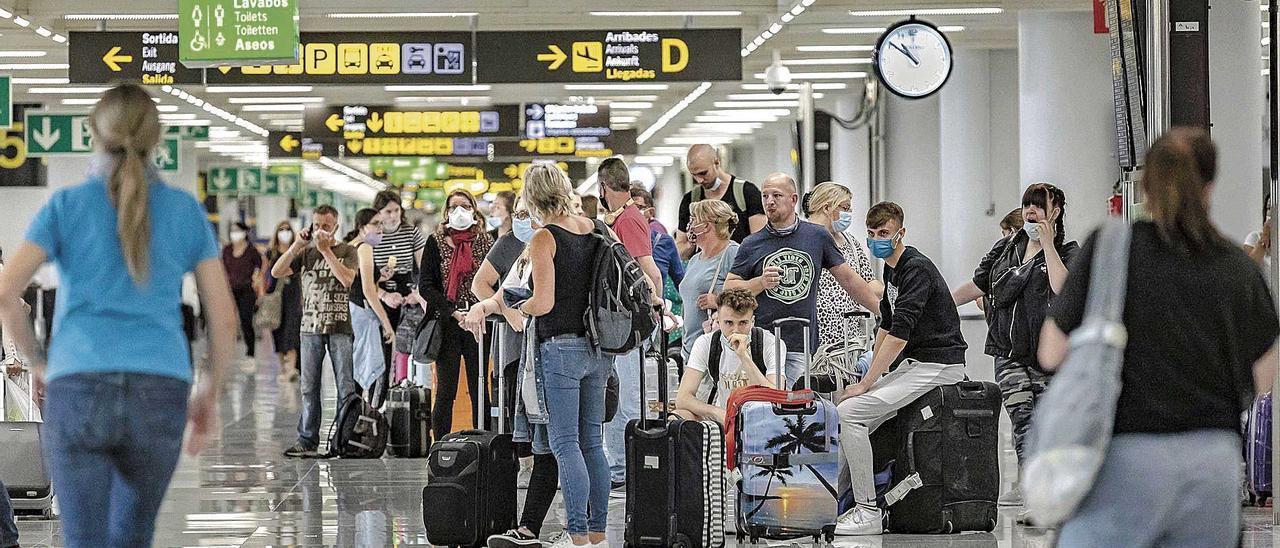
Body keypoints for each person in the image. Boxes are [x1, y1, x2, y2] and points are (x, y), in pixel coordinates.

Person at [0, 83, 236, 546]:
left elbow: (6, 291)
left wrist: (37, 363)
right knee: (133, 535)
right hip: (160, 386)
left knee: (84, 537)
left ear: (94, 133)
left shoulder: (67, 206)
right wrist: (209, 393)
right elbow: (224, 318)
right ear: (158, 138)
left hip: (79, 382)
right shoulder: (186, 211)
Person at [1041, 128, 1279, 548]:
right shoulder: (1236, 266)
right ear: (1210, 186)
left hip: (1122, 457)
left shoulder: (1110, 249)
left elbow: (1051, 352)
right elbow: (1263, 378)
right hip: (1212, 463)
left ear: (1145, 184)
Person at [493, 163, 612, 548]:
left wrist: (518, 306)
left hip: (560, 350)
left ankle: (576, 533)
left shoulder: (545, 238)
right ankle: (598, 532)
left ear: (532, 197)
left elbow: (543, 302)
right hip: (598, 348)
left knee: (565, 443)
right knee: (593, 442)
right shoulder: (595, 229)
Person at [832, 201, 968, 536]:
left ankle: (868, 511)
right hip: (916, 363)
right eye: (872, 233)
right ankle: (844, 502)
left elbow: (899, 333)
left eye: (884, 233)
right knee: (852, 415)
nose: (877, 239)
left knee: (852, 412)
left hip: (939, 363)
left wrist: (867, 382)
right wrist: (871, 367)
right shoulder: (892, 270)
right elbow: (886, 324)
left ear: (901, 233)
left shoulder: (916, 269)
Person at [951, 183, 1077, 510]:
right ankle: (1036, 495)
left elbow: (1064, 289)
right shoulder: (1005, 249)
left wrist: (1048, 245)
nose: (1031, 212)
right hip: (1007, 352)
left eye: (1039, 207)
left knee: (1045, 425)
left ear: (1056, 212)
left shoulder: (1068, 251)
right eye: (1027, 206)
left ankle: (1046, 489)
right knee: (1022, 419)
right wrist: (942, 304)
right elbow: (979, 284)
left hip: (1045, 355)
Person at [723, 173, 881, 387]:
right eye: (765, 196)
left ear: (793, 199)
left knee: (795, 406)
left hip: (801, 341)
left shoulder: (817, 236)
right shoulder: (752, 243)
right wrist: (760, 282)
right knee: (768, 402)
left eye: (777, 195)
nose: (770, 201)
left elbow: (850, 280)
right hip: (763, 341)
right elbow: (730, 288)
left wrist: (886, 313)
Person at [597, 157, 664, 496]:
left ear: (603, 187)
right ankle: (620, 466)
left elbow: (648, 269)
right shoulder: (618, 218)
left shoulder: (629, 219)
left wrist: (654, 311)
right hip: (621, 321)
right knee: (619, 393)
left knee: (627, 398)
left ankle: (626, 467)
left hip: (631, 322)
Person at [271, 205, 360, 457]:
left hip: (340, 327)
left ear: (336, 227)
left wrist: (326, 251)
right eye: (317, 225)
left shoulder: (347, 251)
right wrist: (297, 245)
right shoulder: (305, 254)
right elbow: (276, 271)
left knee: (345, 385)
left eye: (327, 226)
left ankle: (345, 439)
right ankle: (307, 438)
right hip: (310, 327)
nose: (321, 230)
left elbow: (347, 280)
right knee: (309, 387)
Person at [471, 195, 536, 489]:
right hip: (514, 339)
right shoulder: (508, 243)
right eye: (520, 212)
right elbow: (480, 283)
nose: (525, 217)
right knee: (515, 399)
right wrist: (506, 311)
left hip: (545, 336)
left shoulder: (552, 237)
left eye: (530, 211)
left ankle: (545, 461)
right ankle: (523, 462)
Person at [419, 189, 494, 439]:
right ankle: (440, 445)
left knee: (479, 387)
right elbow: (426, 285)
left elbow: (496, 281)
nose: (459, 212)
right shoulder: (435, 242)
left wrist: (478, 309)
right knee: (446, 389)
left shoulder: (486, 242)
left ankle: (483, 444)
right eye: (453, 208)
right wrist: (452, 312)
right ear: (446, 213)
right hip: (448, 323)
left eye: (465, 206)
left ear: (474, 211)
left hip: (479, 322)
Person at [674, 288, 781, 424]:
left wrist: (744, 356)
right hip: (723, 416)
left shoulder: (770, 343)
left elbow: (776, 398)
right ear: (718, 320)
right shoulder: (706, 343)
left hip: (762, 419)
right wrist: (717, 412)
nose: (735, 330)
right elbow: (683, 398)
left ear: (752, 321)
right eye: (729, 323)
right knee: (677, 417)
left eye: (743, 323)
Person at [802, 182, 882, 348]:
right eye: (845, 208)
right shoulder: (800, 239)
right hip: (811, 337)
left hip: (849, 339)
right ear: (826, 207)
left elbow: (867, 281)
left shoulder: (850, 242)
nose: (849, 214)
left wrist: (892, 293)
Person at [370, 190, 427, 406]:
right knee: (382, 355)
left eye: (396, 210)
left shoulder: (411, 233)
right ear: (379, 213)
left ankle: (404, 398)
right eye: (387, 212)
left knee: (406, 351)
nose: (393, 216)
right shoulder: (373, 237)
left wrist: (417, 293)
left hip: (408, 299)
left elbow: (424, 268)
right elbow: (365, 280)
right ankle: (377, 403)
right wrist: (384, 295)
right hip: (382, 298)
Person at [676, 144, 766, 258]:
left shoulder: (746, 192)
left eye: (703, 173)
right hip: (705, 271)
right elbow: (679, 250)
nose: (699, 180)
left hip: (740, 268)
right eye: (694, 175)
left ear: (717, 162)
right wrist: (692, 242)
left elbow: (759, 242)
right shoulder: (690, 200)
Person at [677, 200, 740, 359]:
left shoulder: (732, 253)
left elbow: (748, 297)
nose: (689, 226)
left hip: (717, 349)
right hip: (691, 349)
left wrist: (719, 301)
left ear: (707, 226)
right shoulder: (694, 259)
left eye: (694, 220)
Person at [346, 208, 396, 398]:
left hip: (350, 312)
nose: (380, 228)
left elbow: (356, 281)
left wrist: (379, 276)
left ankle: (353, 418)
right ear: (362, 227)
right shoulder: (364, 248)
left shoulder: (349, 246)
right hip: (363, 315)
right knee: (373, 368)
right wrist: (386, 324)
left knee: (354, 369)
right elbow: (368, 290)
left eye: (381, 224)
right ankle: (372, 415)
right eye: (375, 224)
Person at [222, 221, 265, 358]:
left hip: (246, 290)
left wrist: (258, 280)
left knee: (246, 320)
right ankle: (224, 351)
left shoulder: (251, 251)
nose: (234, 233)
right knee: (228, 321)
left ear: (245, 232)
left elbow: (262, 264)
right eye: (232, 230)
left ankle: (250, 352)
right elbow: (221, 268)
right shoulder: (227, 250)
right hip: (230, 290)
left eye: (237, 230)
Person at [631, 186, 685, 294]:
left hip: (656, 306)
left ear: (650, 212)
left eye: (637, 207)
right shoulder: (619, 238)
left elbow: (681, 281)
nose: (632, 213)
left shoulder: (663, 241)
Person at [267, 220, 303, 382]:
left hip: (293, 296)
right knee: (278, 331)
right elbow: (263, 275)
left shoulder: (297, 252)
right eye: (281, 230)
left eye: (288, 230)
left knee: (292, 331)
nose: (284, 232)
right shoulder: (271, 254)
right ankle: (283, 367)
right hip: (276, 297)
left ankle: (291, 368)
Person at [1244, 194, 1272, 272]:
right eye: (1269, 208)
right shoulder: (1254, 238)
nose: (1272, 212)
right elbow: (1249, 269)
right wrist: (1265, 237)